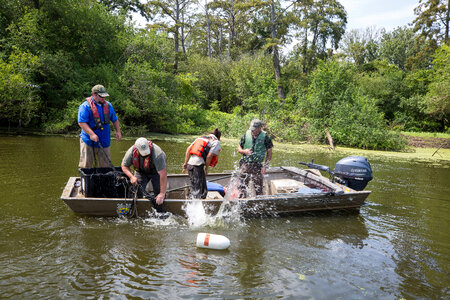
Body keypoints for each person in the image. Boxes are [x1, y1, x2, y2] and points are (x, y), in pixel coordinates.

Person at [78, 84, 122, 168]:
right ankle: (86, 180)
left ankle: (104, 181)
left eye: (104, 96)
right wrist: (92, 134)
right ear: (94, 94)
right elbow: (82, 122)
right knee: (86, 165)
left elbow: (115, 119)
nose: (104, 98)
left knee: (105, 165)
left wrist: (118, 131)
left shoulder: (108, 106)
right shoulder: (85, 106)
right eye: (101, 96)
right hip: (88, 140)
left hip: (104, 140)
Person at [121, 137, 168, 205]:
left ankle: (160, 209)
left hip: (156, 171)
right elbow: (124, 166)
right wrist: (131, 177)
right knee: (135, 191)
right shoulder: (130, 153)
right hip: (140, 171)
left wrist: (162, 193)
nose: (146, 154)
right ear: (137, 149)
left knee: (159, 193)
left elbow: (163, 173)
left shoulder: (158, 154)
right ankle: (138, 206)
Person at [237, 119, 273, 197]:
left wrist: (265, 166)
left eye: (255, 129)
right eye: (252, 128)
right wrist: (244, 151)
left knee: (258, 188)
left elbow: (269, 153)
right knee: (241, 186)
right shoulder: (246, 135)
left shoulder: (266, 137)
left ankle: (258, 202)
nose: (253, 130)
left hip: (258, 166)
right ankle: (241, 200)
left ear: (260, 127)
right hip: (245, 164)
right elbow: (239, 149)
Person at [182, 129, 222, 199]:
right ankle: (193, 206)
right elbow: (209, 156)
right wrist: (207, 169)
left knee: (203, 190)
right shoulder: (216, 142)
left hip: (190, 165)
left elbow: (188, 149)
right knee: (197, 191)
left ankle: (199, 203)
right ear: (219, 137)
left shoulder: (200, 138)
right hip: (197, 166)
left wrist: (185, 163)